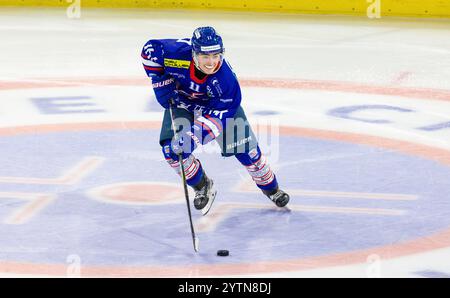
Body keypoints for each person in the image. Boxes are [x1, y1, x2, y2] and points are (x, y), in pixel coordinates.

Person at [141, 26, 289, 215]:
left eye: (216, 55)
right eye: (205, 57)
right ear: (194, 54)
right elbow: (150, 51)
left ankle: (272, 189)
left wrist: (193, 136)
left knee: (249, 154)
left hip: (219, 111)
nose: (212, 62)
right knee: (172, 152)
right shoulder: (174, 54)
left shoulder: (226, 81)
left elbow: (219, 116)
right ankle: (202, 186)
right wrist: (160, 81)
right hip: (183, 103)